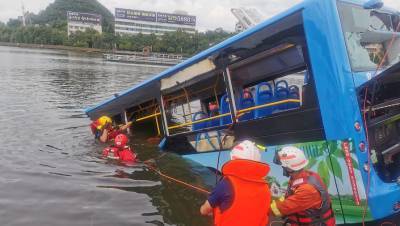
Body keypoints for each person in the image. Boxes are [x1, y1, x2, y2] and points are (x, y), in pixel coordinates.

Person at [200, 140, 271, 226]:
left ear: (233, 158)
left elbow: (204, 211)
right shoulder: (266, 188)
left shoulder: (226, 184)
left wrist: (215, 210)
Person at [270, 146, 335, 226]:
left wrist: (261, 207)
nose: (282, 167)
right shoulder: (303, 176)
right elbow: (289, 197)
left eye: (282, 165)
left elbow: (279, 209)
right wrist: (274, 199)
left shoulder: (307, 190)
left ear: (289, 168)